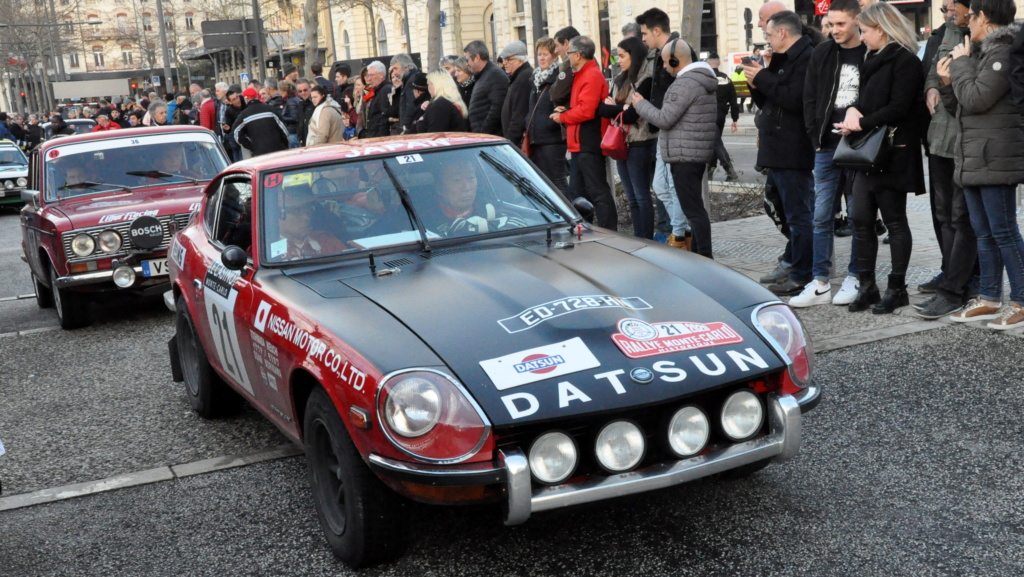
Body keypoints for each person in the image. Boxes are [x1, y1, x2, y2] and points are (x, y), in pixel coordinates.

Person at [834, 2, 926, 314]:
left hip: (893, 151)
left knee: (895, 221)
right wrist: (851, 113)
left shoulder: (905, 60)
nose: (861, 37)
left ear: (882, 30)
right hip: (866, 152)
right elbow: (865, 101)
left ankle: (897, 287)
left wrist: (862, 121)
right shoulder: (870, 58)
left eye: (864, 31)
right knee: (860, 219)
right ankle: (867, 284)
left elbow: (899, 107)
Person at [938, 0, 1024, 328]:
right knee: (983, 231)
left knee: (1003, 231)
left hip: (995, 155)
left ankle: (1021, 300)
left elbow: (977, 98)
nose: (965, 22)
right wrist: (948, 84)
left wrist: (960, 66)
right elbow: (961, 105)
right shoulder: (981, 53)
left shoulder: (1003, 52)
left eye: (970, 16)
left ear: (983, 17)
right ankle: (989, 297)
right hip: (974, 154)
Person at [790, 0, 866, 308]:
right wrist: (815, 138)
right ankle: (820, 280)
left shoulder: (870, 52)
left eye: (840, 24)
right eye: (830, 24)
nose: (833, 30)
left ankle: (856, 276)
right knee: (821, 215)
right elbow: (810, 97)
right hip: (827, 145)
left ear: (857, 21)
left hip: (861, 145)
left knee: (859, 214)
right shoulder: (822, 52)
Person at [743, 10, 815, 296]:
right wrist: (756, 83)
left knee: (799, 215)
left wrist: (762, 77)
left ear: (783, 32)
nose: (767, 40)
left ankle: (801, 272)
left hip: (793, 147)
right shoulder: (783, 57)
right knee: (781, 207)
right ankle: (794, 261)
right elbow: (770, 99)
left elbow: (795, 100)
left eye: (769, 34)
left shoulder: (807, 57)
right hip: (778, 146)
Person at [917, 0, 979, 318]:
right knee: (944, 215)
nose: (946, 13)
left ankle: (961, 285)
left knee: (962, 218)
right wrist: (931, 88)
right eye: (943, 8)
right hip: (939, 137)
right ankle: (950, 274)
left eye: (950, 6)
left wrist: (944, 86)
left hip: (964, 141)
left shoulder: (981, 37)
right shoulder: (948, 33)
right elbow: (932, 71)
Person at [633, 39, 718, 257]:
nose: (662, 67)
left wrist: (640, 105)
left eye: (664, 62)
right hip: (693, 154)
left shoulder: (684, 84)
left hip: (684, 155)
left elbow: (664, 118)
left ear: (674, 60)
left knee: (694, 211)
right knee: (694, 209)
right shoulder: (701, 79)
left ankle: (704, 258)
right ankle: (699, 254)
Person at [636, 9, 690, 248]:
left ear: (657, 30)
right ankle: (682, 229)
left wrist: (644, 106)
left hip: (675, 129)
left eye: (645, 33)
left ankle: (680, 235)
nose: (643, 39)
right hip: (663, 128)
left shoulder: (677, 51)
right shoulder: (659, 54)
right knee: (660, 185)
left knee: (672, 187)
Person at [550, 36, 615, 230]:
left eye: (569, 54)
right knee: (577, 193)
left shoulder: (591, 75)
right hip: (580, 143)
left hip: (589, 142)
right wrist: (567, 111)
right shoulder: (582, 74)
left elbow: (586, 111)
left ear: (578, 55)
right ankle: (587, 230)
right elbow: (580, 106)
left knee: (597, 192)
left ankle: (608, 232)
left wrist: (563, 117)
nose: (567, 57)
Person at [598, 36, 657, 239]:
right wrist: (621, 107)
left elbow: (632, 115)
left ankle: (647, 239)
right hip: (621, 142)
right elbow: (601, 108)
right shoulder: (618, 80)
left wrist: (616, 108)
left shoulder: (645, 79)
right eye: (617, 56)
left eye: (622, 56)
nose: (618, 60)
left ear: (634, 55)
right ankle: (638, 237)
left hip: (641, 143)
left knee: (641, 196)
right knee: (631, 197)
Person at [426, 165, 527, 237]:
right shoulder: (424, 218)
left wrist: (491, 227)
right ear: (439, 189)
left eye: (471, 178)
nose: (467, 187)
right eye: (457, 180)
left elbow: (519, 222)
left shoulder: (488, 207)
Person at [526, 37, 569, 195]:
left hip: (553, 139)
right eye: (539, 54)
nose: (541, 58)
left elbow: (562, 106)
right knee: (542, 182)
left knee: (557, 180)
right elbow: (532, 108)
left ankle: (568, 214)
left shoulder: (558, 77)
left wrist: (549, 122)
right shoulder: (536, 78)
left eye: (545, 54)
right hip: (537, 139)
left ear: (554, 56)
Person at [272, 185, 348, 260]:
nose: (306, 217)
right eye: (296, 211)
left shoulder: (326, 241)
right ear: (278, 216)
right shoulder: (268, 250)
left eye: (308, 210)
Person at [705, 53, 740, 182]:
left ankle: (729, 169)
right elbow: (733, 100)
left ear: (708, 63)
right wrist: (735, 119)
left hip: (708, 114)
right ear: (719, 63)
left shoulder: (706, 78)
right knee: (714, 141)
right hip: (721, 115)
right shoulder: (726, 79)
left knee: (716, 143)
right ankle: (710, 171)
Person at [464, 40, 509, 136]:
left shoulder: (495, 75)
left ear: (476, 58)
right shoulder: (483, 76)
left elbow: (497, 107)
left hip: (491, 137)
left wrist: (483, 131)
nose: (467, 64)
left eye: (467, 59)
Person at [499, 41, 534, 147]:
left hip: (517, 142)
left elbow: (519, 114)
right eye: (504, 59)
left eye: (509, 59)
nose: (504, 63)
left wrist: (510, 142)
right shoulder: (518, 76)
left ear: (521, 60)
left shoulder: (523, 77)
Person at [389, 54, 420, 134]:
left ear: (406, 67)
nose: (394, 73)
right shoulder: (408, 80)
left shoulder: (411, 81)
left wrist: (406, 126)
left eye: (396, 69)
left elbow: (411, 105)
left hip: (409, 129)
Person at [363, 61, 395, 138]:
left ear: (381, 75)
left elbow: (384, 115)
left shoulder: (385, 90)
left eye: (371, 75)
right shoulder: (377, 90)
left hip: (380, 137)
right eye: (368, 76)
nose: (369, 79)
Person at [278, 80, 302, 148]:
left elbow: (294, 117)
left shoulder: (290, 101)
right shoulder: (293, 100)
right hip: (294, 132)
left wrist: (281, 118)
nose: (279, 92)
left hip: (292, 132)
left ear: (284, 91)